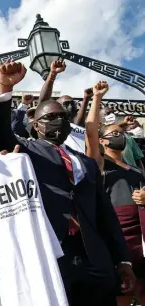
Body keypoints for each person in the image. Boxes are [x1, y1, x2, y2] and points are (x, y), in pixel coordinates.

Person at [0, 60, 135, 306]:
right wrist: (3, 87)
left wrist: (123, 261)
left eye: (63, 116)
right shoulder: (24, 152)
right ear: (36, 126)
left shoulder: (86, 163)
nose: (59, 120)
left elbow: (106, 214)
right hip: (49, 254)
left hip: (94, 259)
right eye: (51, 117)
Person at [85, 81, 145, 306]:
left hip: (141, 237)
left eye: (122, 133)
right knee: (122, 291)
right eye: (114, 133)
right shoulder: (100, 165)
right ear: (102, 141)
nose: (120, 136)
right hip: (117, 236)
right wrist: (97, 98)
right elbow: (91, 129)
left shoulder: (137, 169)